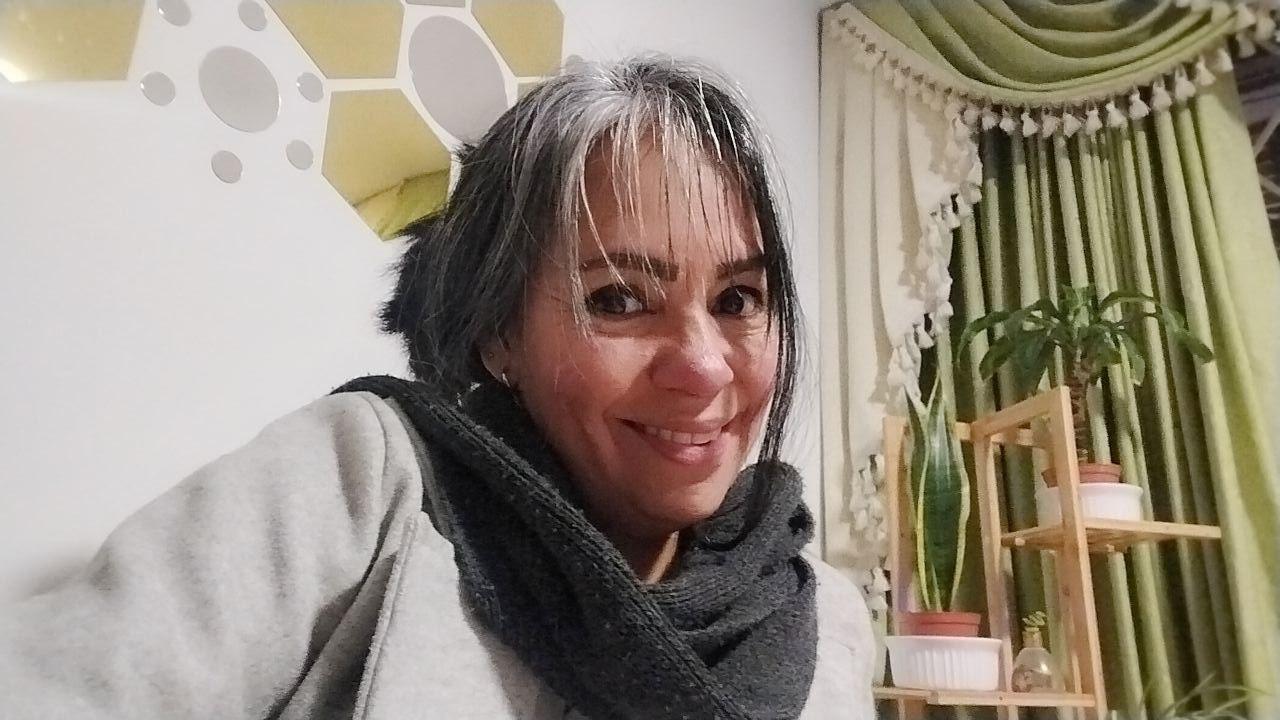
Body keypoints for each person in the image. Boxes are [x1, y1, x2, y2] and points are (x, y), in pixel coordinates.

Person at [0, 57, 875, 719]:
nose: (706, 367)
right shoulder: (364, 486)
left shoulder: (817, 613)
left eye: (738, 300)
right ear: (500, 334)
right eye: (619, 300)